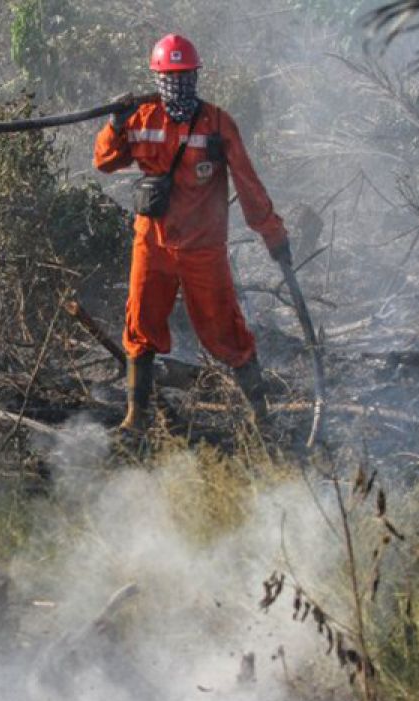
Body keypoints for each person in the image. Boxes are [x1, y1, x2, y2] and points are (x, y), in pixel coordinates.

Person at [94, 33, 292, 431]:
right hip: (152, 243)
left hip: (204, 249)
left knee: (227, 333)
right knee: (139, 326)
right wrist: (115, 124)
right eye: (170, 76)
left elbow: (249, 186)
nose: (178, 84)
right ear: (157, 77)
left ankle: (262, 418)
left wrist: (273, 236)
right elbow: (105, 162)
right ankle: (136, 418)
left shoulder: (218, 124)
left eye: (185, 76)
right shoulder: (141, 118)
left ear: (196, 76)